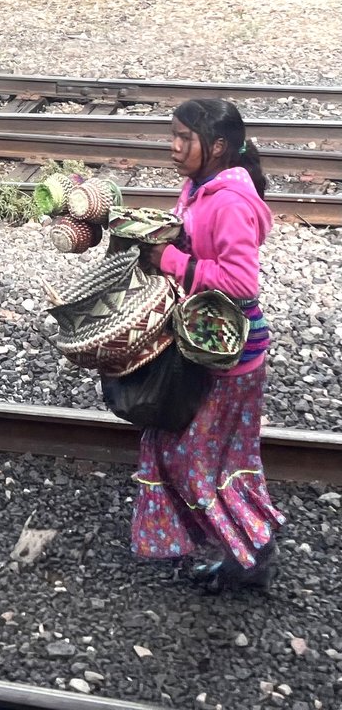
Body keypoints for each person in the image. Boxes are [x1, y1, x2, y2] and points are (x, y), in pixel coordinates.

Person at [132, 98, 285, 590]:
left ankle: (252, 551)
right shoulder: (201, 187)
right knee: (211, 458)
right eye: (172, 136)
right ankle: (246, 555)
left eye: (185, 139)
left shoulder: (230, 201)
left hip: (230, 354)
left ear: (217, 147)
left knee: (190, 460)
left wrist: (174, 262)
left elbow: (242, 283)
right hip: (207, 345)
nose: (174, 148)